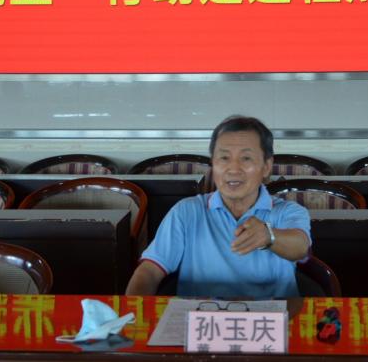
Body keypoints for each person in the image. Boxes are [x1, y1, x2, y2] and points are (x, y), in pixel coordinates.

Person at [125, 115, 312, 298]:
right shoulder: (187, 212)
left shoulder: (288, 211)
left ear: (266, 166)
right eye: (224, 158)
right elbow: (149, 271)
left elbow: (300, 247)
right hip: (199, 317)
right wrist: (134, 313)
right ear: (213, 164)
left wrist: (268, 236)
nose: (233, 169)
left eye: (246, 158)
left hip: (272, 317)